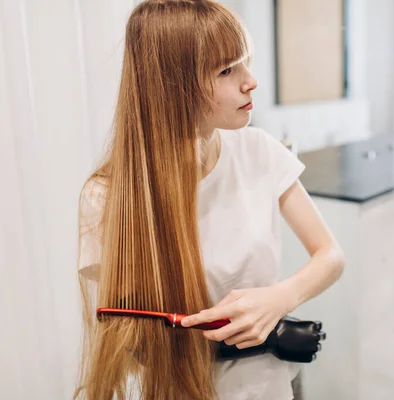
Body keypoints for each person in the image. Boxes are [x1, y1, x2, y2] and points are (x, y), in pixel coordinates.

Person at [75, 1, 344, 399]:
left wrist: (279, 299)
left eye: (245, 63)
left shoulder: (260, 152)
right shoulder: (108, 198)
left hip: (270, 387)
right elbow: (131, 342)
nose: (251, 81)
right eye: (226, 70)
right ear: (170, 84)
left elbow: (330, 254)